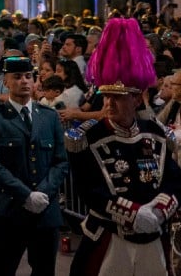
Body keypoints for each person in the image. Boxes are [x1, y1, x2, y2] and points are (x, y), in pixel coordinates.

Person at [66, 18, 181, 276]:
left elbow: (174, 181)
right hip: (110, 237)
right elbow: (89, 189)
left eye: (117, 97)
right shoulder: (88, 137)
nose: (109, 103)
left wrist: (159, 211)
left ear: (136, 98)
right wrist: (134, 213)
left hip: (153, 236)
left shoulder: (157, 134)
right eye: (105, 96)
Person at [0, 56, 69, 276]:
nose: (24, 81)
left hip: (45, 211)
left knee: (45, 269)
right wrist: (26, 195)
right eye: (17, 77)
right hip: (10, 210)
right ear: (6, 82)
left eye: (29, 76)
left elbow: (60, 161)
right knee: (3, 268)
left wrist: (42, 193)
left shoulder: (48, 117)